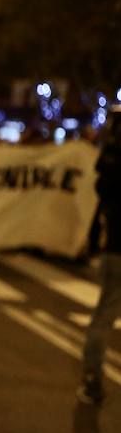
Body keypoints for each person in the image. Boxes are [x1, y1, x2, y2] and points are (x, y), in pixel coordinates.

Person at [78, 108, 121, 406]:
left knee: (104, 315)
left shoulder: (109, 170)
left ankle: (92, 380)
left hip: (116, 249)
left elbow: (100, 202)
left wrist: (93, 242)